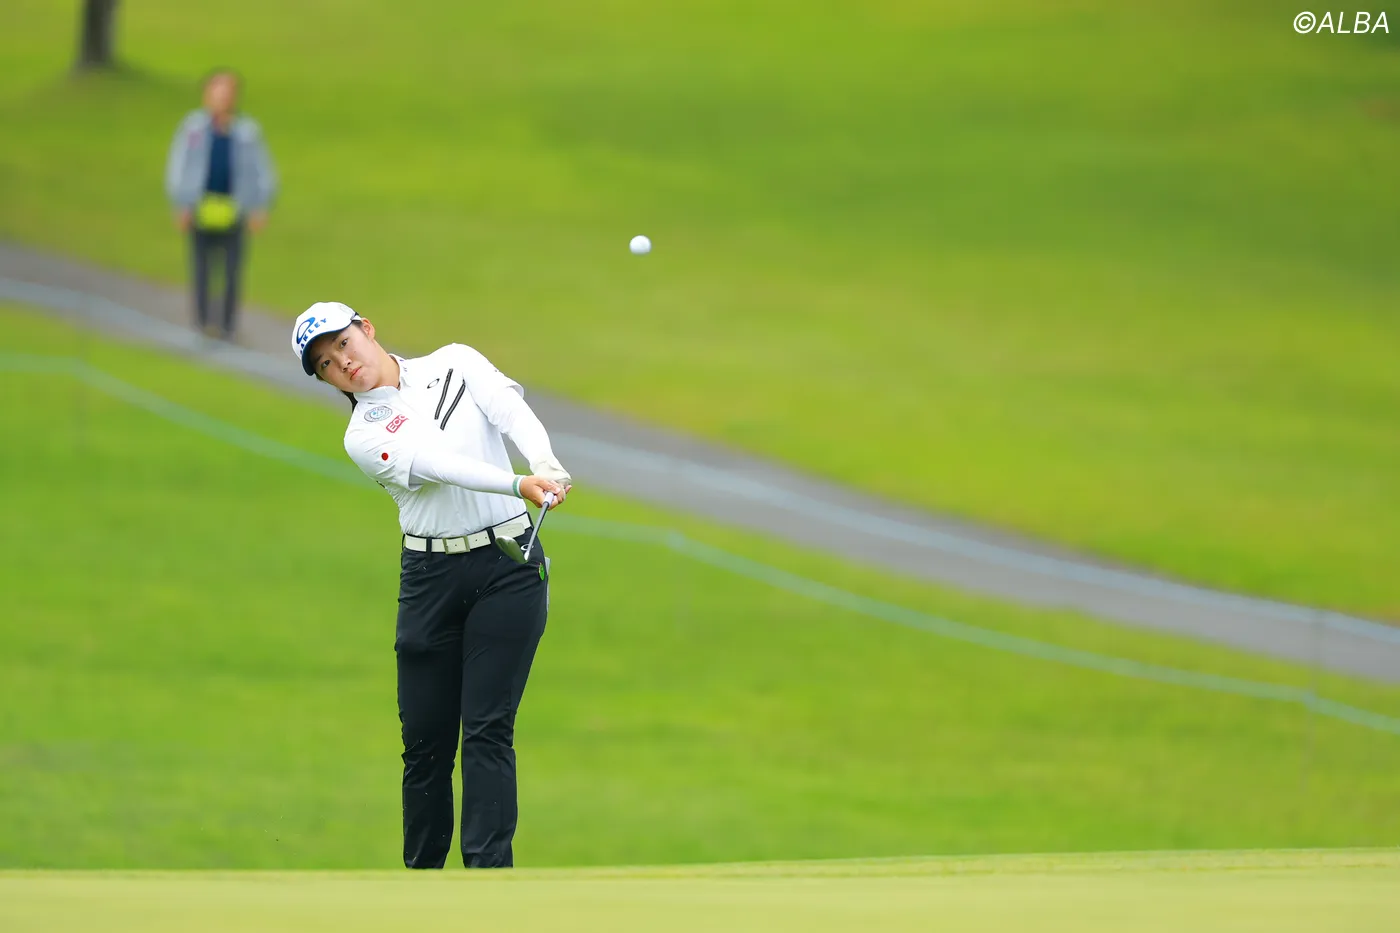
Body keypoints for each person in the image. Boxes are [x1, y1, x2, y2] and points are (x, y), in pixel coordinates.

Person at [292, 301, 573, 869]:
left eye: (343, 344)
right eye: (325, 364)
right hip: (430, 579)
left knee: (488, 729)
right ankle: (421, 885)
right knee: (425, 745)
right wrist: (519, 483)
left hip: (507, 567)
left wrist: (545, 462)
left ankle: (489, 882)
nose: (342, 363)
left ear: (366, 330)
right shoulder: (363, 435)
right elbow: (438, 465)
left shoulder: (456, 362)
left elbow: (510, 411)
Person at [164, 69, 278, 341]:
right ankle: (202, 323)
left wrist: (259, 205)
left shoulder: (247, 132)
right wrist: (181, 203)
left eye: (227, 93)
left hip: (234, 210)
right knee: (201, 268)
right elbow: (179, 165)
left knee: (231, 271)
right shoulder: (193, 128)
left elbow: (262, 169)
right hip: (201, 208)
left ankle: (227, 326)